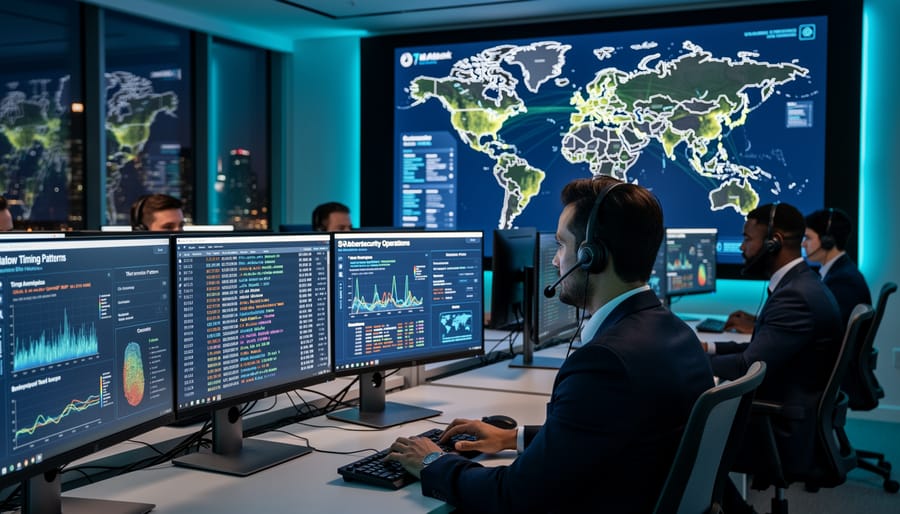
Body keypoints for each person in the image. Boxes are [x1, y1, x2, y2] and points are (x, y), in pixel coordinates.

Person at [385, 177, 715, 513]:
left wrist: (431, 461)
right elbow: (607, 434)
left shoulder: (605, 363)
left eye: (561, 245)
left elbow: (513, 497)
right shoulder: (674, 333)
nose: (555, 262)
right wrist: (512, 438)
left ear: (591, 257)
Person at [710, 203, 842, 512]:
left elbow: (748, 366)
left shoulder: (795, 296)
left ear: (774, 242)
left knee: (678, 434)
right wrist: (710, 349)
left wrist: (681, 360)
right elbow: (762, 348)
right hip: (789, 411)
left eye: (747, 239)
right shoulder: (800, 285)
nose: (742, 248)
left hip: (779, 427)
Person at [803, 208, 871, 327]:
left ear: (827, 241)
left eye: (808, 238)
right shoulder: (840, 271)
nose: (803, 244)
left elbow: (827, 329)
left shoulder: (843, 281)